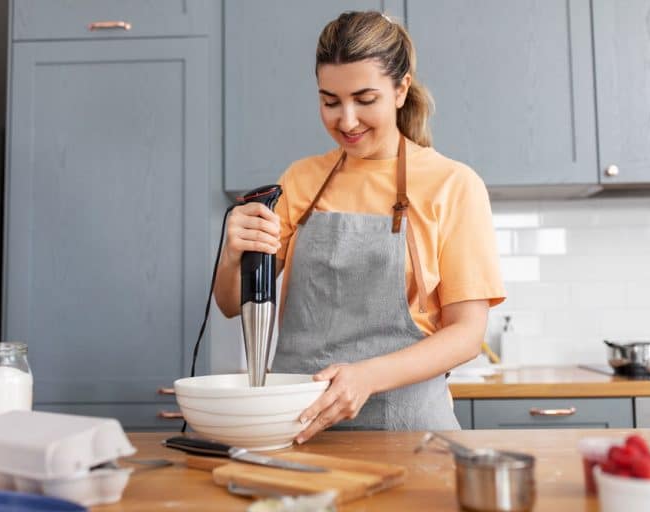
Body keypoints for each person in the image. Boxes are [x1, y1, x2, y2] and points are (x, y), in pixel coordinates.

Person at [214, 11, 505, 442]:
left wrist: (366, 377)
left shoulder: (453, 184)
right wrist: (231, 251)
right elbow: (233, 303)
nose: (346, 121)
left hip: (411, 434)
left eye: (364, 99)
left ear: (401, 90)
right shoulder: (299, 180)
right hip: (302, 430)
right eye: (330, 101)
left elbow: (466, 333)